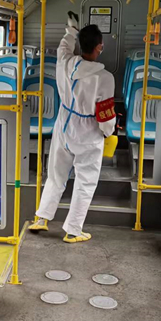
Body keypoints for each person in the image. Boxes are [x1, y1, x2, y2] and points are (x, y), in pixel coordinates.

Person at [29, 13, 116, 243]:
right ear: (99, 47)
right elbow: (105, 113)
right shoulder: (105, 77)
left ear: (80, 44)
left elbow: (64, 46)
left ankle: (42, 218)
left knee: (56, 173)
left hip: (64, 122)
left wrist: (71, 30)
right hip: (88, 130)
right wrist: (108, 132)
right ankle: (73, 230)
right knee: (85, 180)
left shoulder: (65, 62)